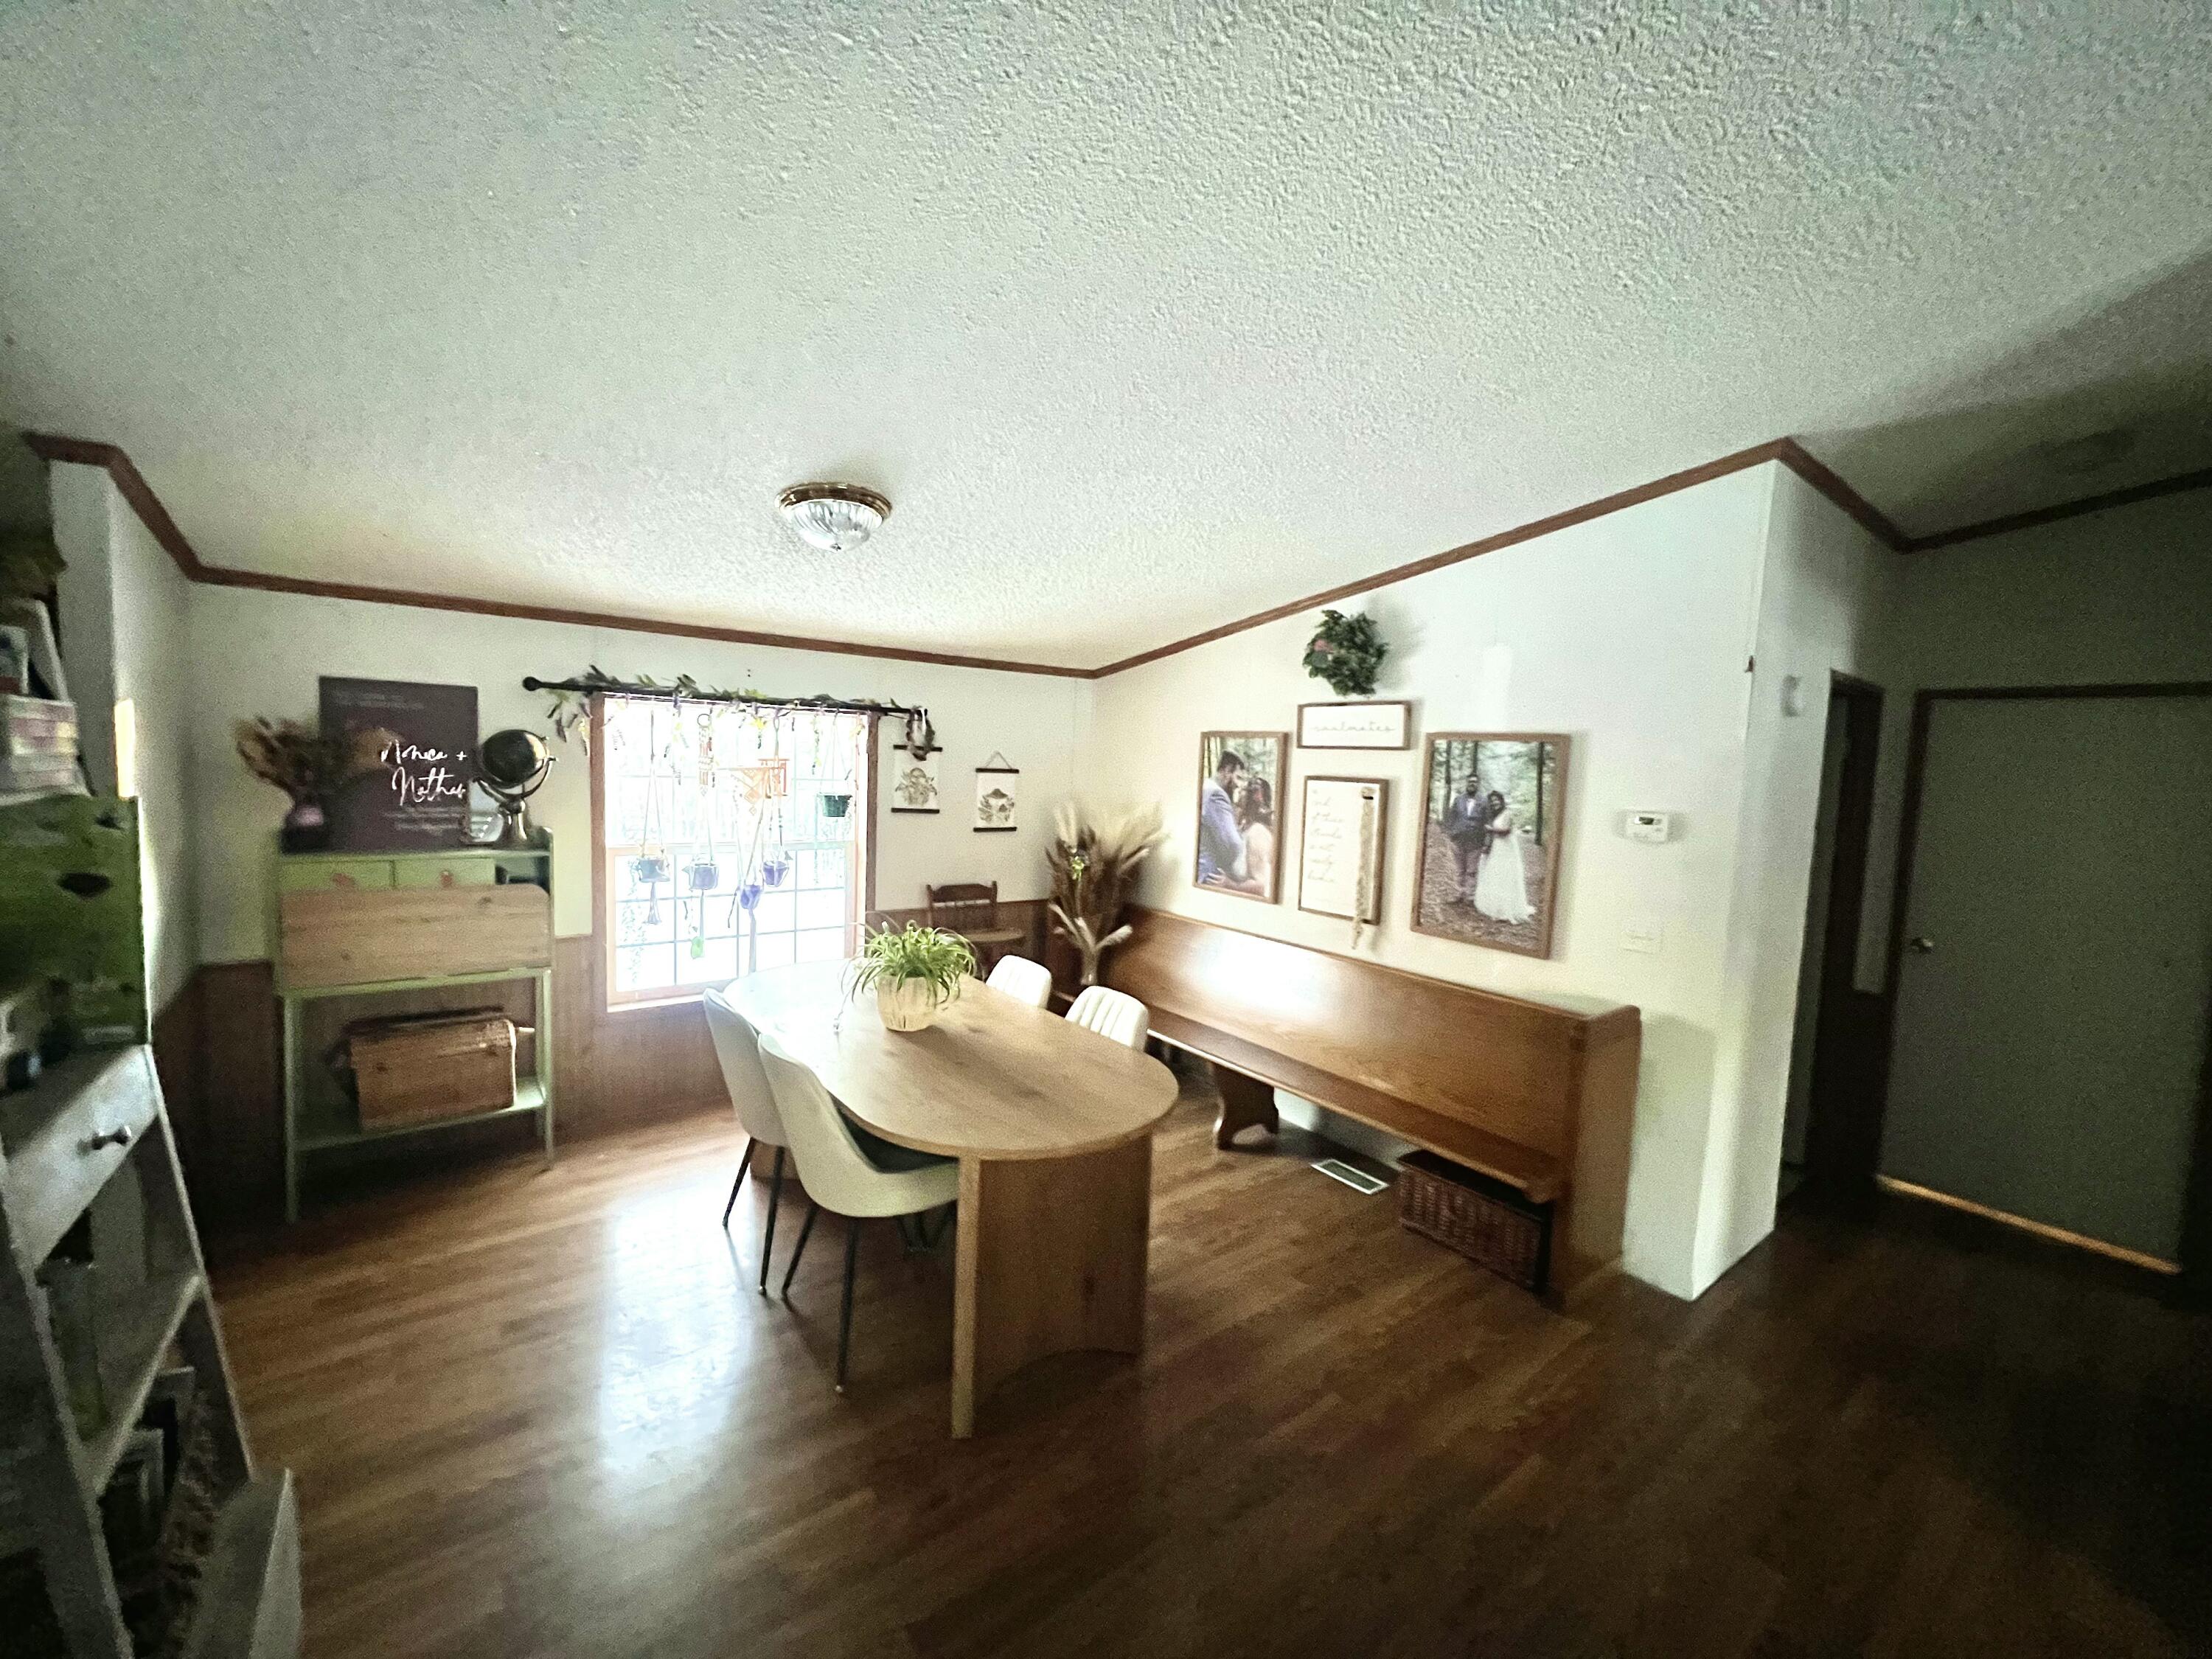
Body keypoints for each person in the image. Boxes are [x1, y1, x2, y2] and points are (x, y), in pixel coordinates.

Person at [1473, 790, 1534, 924]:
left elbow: (1507, 831)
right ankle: (1497, 907)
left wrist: (1491, 830)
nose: (1495, 803)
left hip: (1506, 848)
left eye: (1497, 800)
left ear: (1501, 801)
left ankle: (1507, 909)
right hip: (1497, 847)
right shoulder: (1495, 815)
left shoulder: (1507, 813)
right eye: (1492, 801)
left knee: (1505, 875)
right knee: (1497, 875)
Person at [1196, 749, 1247, 886]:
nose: (1239, 785)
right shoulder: (1216, 795)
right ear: (1226, 770)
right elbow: (1232, 846)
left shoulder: (1203, 787)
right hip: (1210, 877)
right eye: (1238, 777)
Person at [1442, 779, 1493, 900]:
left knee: (1472, 870)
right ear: (1467, 783)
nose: (1472, 784)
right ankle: (1458, 893)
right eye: (1470, 781)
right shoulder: (1458, 799)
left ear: (1478, 785)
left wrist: (1487, 842)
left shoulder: (1484, 801)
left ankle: (1470, 895)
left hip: (1475, 842)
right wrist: (1450, 833)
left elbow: (1488, 822)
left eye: (1475, 782)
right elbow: (1451, 818)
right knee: (1459, 869)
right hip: (1458, 840)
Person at [1231, 776, 1276, 896]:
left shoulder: (1257, 832)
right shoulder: (1244, 828)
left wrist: (1229, 884)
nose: (1240, 794)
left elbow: (1261, 886)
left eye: (1245, 791)